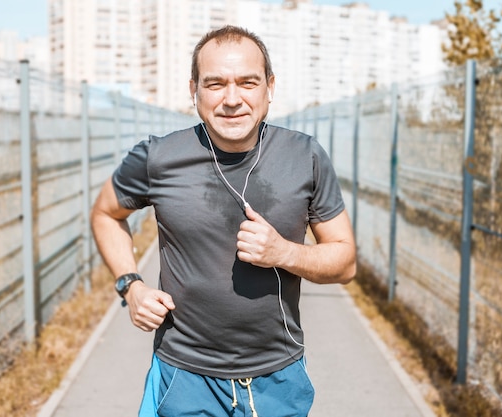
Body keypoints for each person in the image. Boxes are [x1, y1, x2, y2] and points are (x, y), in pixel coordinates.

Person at [90, 25, 357, 417]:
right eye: (215, 84)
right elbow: (105, 213)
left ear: (269, 87)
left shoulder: (305, 156)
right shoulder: (157, 157)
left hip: (278, 376)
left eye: (247, 82)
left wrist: (282, 251)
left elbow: (345, 261)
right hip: (184, 377)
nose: (232, 99)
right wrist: (131, 286)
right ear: (193, 89)